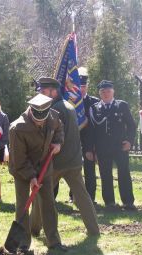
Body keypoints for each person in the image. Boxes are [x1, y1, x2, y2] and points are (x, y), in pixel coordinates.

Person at [30, 77, 100, 236]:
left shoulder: (55, 109)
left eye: (43, 91)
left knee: (40, 195)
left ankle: (33, 229)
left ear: (53, 91)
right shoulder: (68, 106)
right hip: (73, 160)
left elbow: (49, 137)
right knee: (82, 196)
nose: (40, 93)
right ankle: (94, 229)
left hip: (56, 162)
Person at [9, 93, 65, 252]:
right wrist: (32, 177)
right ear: (31, 111)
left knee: (48, 203)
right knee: (22, 205)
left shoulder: (52, 117)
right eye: (36, 119)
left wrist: (58, 143)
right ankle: (23, 243)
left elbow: (60, 128)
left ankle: (54, 241)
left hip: (45, 167)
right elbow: (19, 160)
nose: (39, 122)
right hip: (21, 170)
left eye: (43, 119)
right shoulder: (17, 128)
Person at [89, 80, 136, 209]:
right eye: (103, 92)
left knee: (124, 174)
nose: (106, 94)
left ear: (113, 92)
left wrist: (130, 141)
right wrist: (90, 149)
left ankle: (128, 202)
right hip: (102, 148)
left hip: (120, 146)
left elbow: (132, 125)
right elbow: (91, 131)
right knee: (105, 175)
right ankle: (109, 202)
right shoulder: (94, 108)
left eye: (108, 91)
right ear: (99, 93)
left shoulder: (122, 106)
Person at [79, 67, 100, 204]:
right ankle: (73, 195)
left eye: (84, 86)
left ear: (87, 87)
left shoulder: (94, 102)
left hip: (89, 141)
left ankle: (90, 197)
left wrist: (93, 146)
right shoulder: (70, 101)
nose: (81, 89)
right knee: (73, 171)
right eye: (79, 86)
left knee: (90, 171)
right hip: (73, 140)